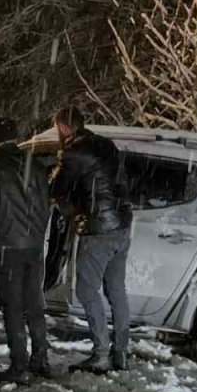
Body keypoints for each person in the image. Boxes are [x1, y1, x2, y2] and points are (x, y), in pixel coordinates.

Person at [49, 106, 133, 373]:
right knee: (116, 291)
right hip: (121, 225)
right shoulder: (106, 145)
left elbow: (56, 188)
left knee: (86, 290)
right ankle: (120, 352)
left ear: (62, 127)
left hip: (99, 229)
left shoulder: (74, 152)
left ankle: (100, 354)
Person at [0, 117, 53, 384]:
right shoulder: (36, 164)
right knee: (34, 304)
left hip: (6, 245)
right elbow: (45, 204)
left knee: (12, 307)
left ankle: (19, 365)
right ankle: (41, 358)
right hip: (33, 245)